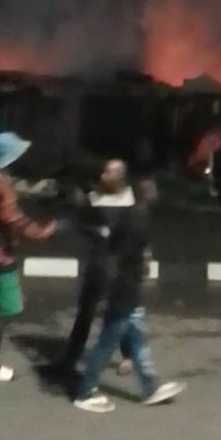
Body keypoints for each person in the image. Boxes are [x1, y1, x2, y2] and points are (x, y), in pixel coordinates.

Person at [74, 177, 185, 413]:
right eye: (151, 188)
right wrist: (139, 267)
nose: (155, 191)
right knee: (107, 343)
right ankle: (85, 392)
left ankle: (150, 387)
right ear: (145, 193)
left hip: (126, 286)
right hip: (123, 287)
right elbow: (127, 253)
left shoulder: (134, 214)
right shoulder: (137, 217)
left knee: (137, 339)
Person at [0, 132, 56, 381]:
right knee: (2, 310)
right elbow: (13, 219)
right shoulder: (1, 185)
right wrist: (43, 231)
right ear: (9, 157)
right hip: (0, 258)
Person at [59, 159, 138, 374]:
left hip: (123, 262)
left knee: (122, 310)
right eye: (103, 172)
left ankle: (128, 355)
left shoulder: (131, 199)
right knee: (87, 309)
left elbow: (139, 230)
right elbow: (81, 223)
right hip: (99, 262)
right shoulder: (94, 199)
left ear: (120, 176)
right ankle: (73, 355)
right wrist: (97, 231)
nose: (103, 177)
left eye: (108, 173)